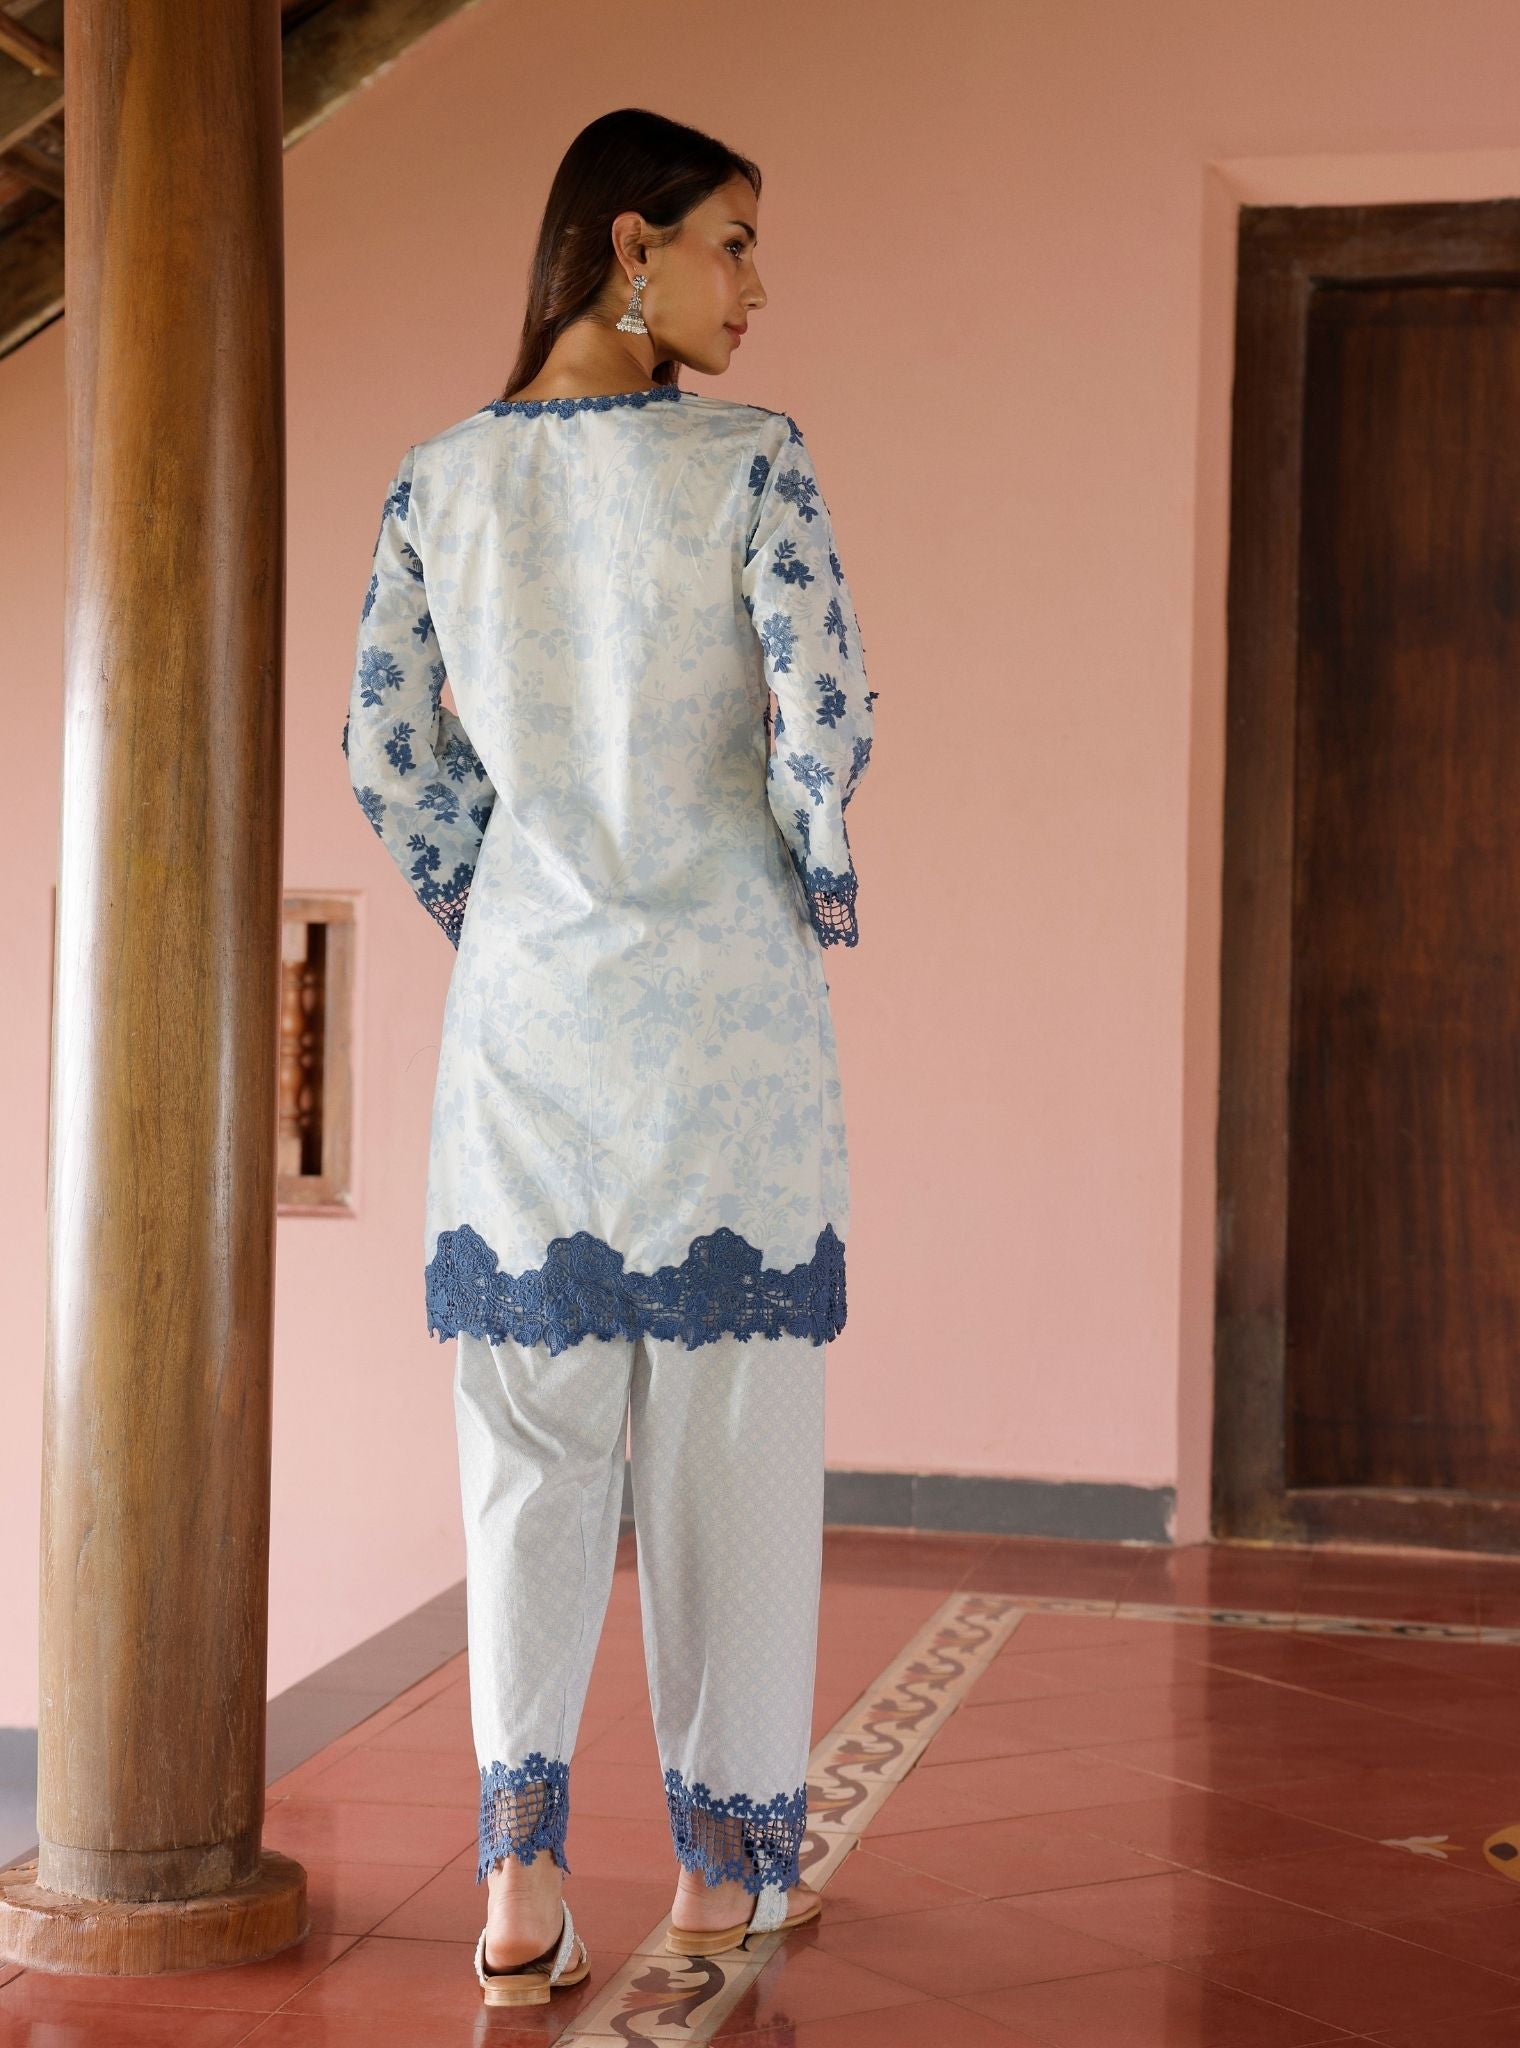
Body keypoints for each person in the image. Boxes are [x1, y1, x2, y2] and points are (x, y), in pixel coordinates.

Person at [343, 106, 878, 2007]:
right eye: (734, 241)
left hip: (530, 1031)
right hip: (724, 1025)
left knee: (529, 1446)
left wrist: (506, 900)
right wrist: (806, 869)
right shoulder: (750, 462)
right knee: (734, 1445)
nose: (758, 286)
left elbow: (388, 751)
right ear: (629, 246)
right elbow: (826, 717)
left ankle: (519, 1886)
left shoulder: (437, 485)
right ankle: (722, 1880)